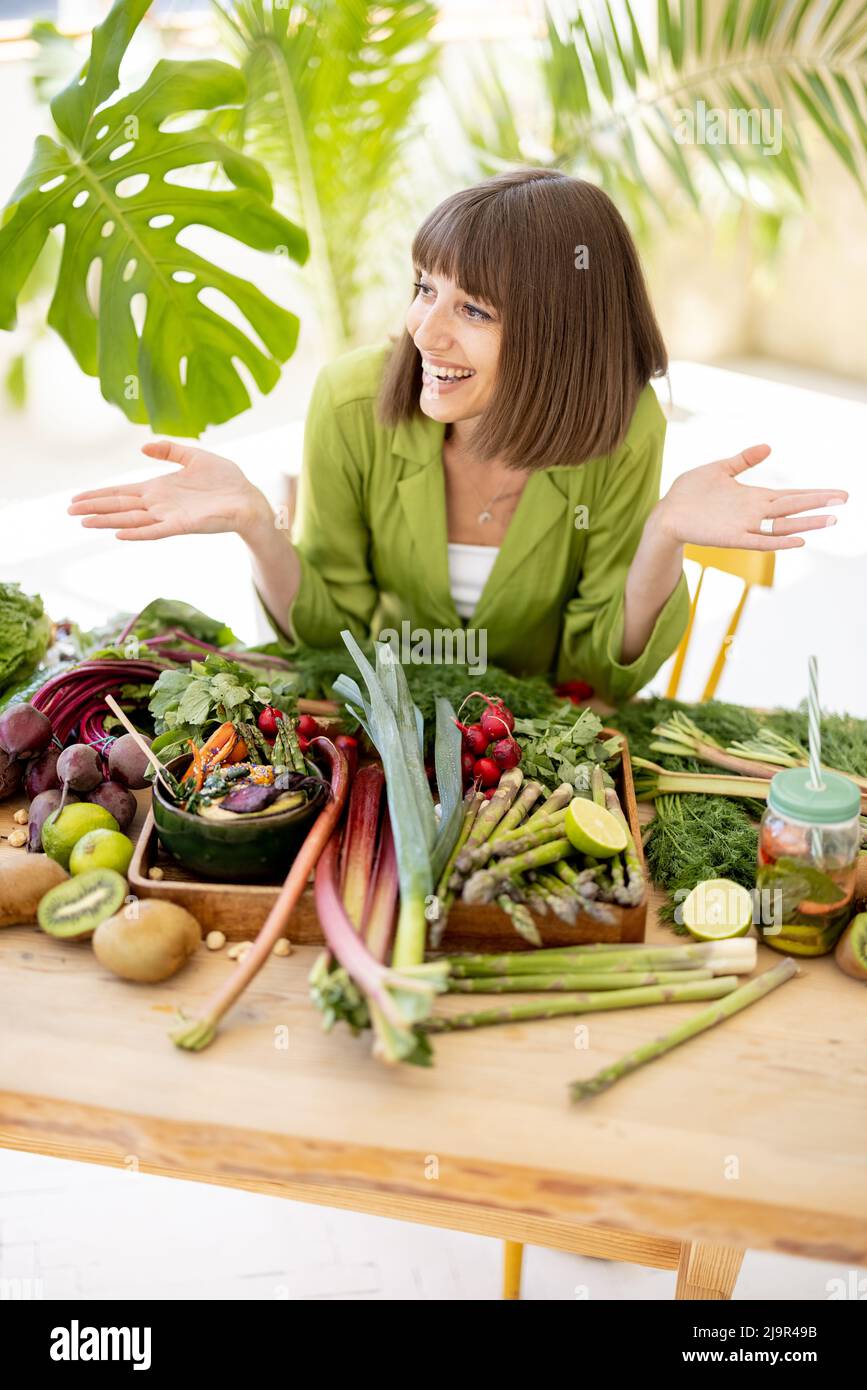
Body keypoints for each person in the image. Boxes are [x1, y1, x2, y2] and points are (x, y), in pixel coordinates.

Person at [69, 168, 848, 703]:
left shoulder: (620, 424)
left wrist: (663, 535)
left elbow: (596, 676)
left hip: (532, 739)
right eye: (423, 288)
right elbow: (330, 633)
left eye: (472, 310)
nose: (423, 331)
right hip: (384, 724)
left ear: (558, 335)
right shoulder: (350, 399)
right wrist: (254, 526)